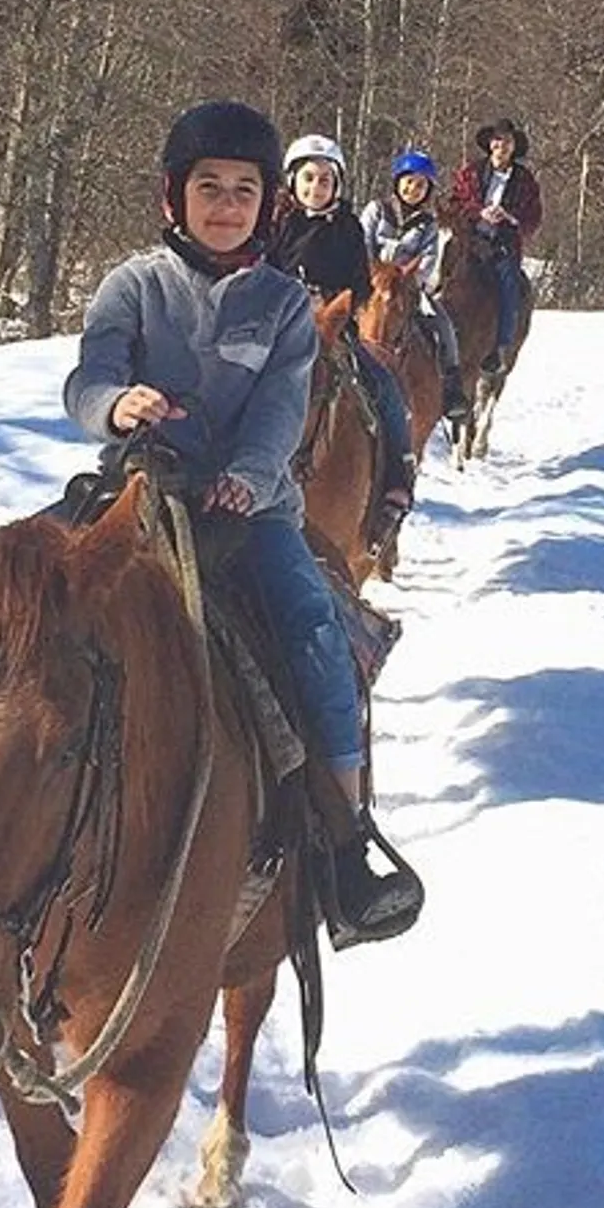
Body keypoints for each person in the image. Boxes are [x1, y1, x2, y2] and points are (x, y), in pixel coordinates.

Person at [62, 99, 420, 946]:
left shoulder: (285, 305)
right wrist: (116, 406)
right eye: (209, 187)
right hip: (137, 495)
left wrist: (251, 479)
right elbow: (89, 378)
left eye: (243, 190)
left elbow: (280, 413)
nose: (226, 205)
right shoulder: (132, 286)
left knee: (312, 627)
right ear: (172, 196)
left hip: (248, 510)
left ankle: (345, 838)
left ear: (270, 204)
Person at [268, 132, 417, 548]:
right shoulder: (274, 224)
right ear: (293, 180)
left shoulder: (348, 227)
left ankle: (396, 481)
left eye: (326, 181)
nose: (317, 188)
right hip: (276, 331)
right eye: (309, 179)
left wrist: (335, 301)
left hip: (333, 331)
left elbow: (360, 283)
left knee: (384, 386)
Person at [359, 147, 470, 423]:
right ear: (398, 182)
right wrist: (371, 272)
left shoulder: (428, 224)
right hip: (370, 280)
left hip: (407, 286)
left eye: (421, 185)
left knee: (441, 322)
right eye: (409, 182)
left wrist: (412, 282)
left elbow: (429, 259)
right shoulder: (377, 210)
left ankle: (452, 387)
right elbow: (361, 243)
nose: (413, 189)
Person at [447, 116, 543, 376]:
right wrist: (479, 213)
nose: (502, 146)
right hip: (470, 240)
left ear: (514, 147)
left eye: (507, 141)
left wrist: (511, 218)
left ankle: (500, 346)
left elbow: (533, 217)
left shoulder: (525, 181)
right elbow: (454, 204)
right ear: (490, 144)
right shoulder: (471, 173)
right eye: (498, 140)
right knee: (443, 275)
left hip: (503, 244)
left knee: (510, 284)